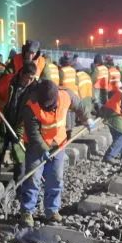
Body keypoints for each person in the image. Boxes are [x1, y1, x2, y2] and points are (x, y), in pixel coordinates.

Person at [19, 80, 94, 227]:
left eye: (50, 105)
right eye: (44, 105)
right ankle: (27, 212)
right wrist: (44, 150)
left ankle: (52, 210)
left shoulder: (65, 96)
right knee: (33, 178)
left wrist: (87, 119)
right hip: (37, 147)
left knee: (56, 177)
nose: (47, 108)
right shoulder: (31, 107)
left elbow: (79, 105)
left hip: (58, 144)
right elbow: (34, 135)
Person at [0, 62, 37, 181]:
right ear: (22, 74)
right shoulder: (7, 80)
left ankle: (19, 186)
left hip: (20, 125)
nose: (29, 81)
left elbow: (34, 112)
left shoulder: (34, 88)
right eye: (27, 78)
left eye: (32, 78)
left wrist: (20, 133)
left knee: (20, 155)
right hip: (2, 121)